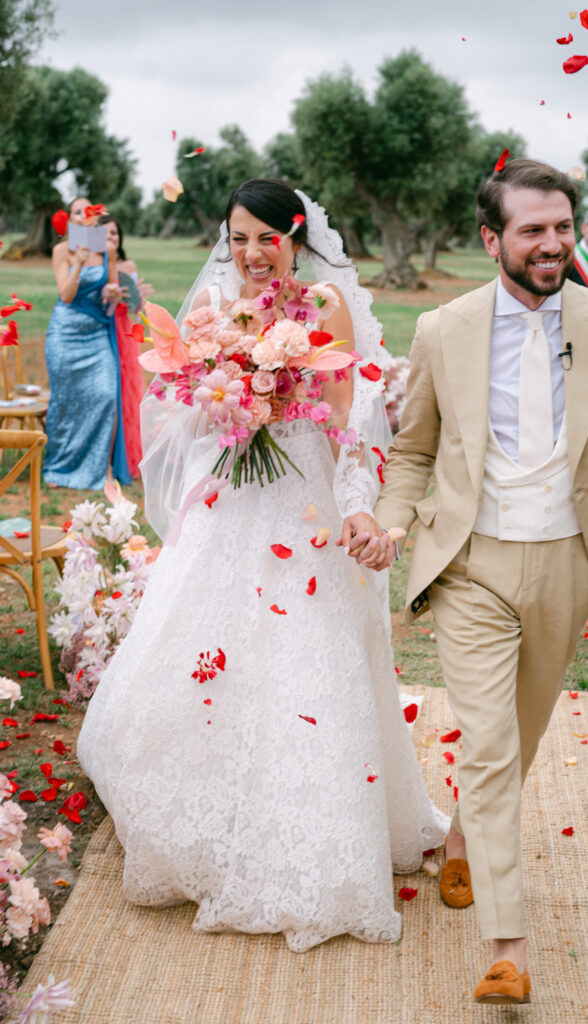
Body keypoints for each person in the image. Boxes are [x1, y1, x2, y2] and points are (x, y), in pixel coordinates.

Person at [341, 159, 588, 1004]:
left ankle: (463, 836)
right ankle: (510, 945)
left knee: (519, 738)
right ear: (492, 238)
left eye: (561, 227)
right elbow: (414, 449)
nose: (552, 243)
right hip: (471, 565)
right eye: (532, 229)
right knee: (490, 745)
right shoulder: (443, 329)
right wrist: (391, 520)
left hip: (570, 561)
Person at [77, 179, 447, 952]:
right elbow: (181, 406)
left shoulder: (326, 306)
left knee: (304, 667)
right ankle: (209, 827)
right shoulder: (214, 302)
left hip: (306, 505)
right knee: (207, 655)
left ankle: (312, 843)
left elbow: (350, 423)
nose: (251, 254)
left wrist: (356, 504)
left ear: (295, 237)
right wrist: (225, 400)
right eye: (238, 237)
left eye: (266, 239)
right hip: (230, 500)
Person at [43, 197, 131, 489]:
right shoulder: (60, 251)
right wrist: (77, 265)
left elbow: (112, 290)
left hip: (96, 334)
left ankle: (101, 467)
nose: (84, 215)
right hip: (65, 335)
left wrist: (114, 291)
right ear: (70, 219)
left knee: (106, 396)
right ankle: (58, 468)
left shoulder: (106, 250)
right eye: (77, 211)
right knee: (65, 402)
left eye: (89, 210)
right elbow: (66, 296)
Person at [99, 214, 153, 479]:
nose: (111, 238)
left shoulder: (127, 264)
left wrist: (139, 298)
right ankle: (103, 457)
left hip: (125, 331)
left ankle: (127, 457)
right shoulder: (95, 266)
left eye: (115, 234)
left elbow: (136, 308)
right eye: (106, 233)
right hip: (103, 331)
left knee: (129, 392)